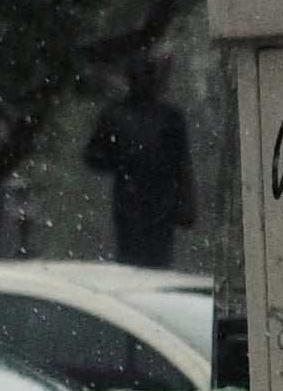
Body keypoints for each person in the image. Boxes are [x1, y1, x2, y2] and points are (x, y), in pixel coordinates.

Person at [82, 53, 197, 270]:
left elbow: (181, 164)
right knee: (141, 263)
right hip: (139, 204)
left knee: (145, 263)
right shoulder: (124, 115)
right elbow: (94, 156)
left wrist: (184, 206)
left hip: (147, 204)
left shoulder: (165, 117)